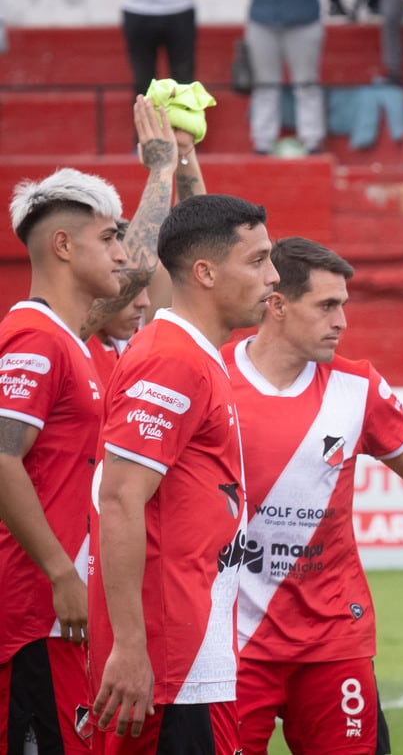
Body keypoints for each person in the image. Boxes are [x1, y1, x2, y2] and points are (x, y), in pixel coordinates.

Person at [228, 237, 403, 755]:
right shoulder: (213, 379)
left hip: (334, 638)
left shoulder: (358, 387)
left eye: (344, 306)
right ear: (277, 305)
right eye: (327, 306)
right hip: (233, 640)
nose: (342, 322)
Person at [88, 194, 279, 749]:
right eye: (258, 260)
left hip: (190, 654)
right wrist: (129, 645)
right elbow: (120, 498)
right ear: (205, 273)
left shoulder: (195, 354)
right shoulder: (173, 359)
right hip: (169, 665)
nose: (273, 276)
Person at [0, 170, 126, 755]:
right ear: (64, 246)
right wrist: (60, 572)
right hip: (30, 614)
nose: (121, 254)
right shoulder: (37, 339)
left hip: (56, 614)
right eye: (108, 238)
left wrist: (165, 168)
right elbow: (1, 456)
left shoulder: (70, 339)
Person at [245, 0, 327, 156]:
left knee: (306, 82)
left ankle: (311, 139)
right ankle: (262, 140)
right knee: (266, 84)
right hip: (263, 22)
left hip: (302, 21)